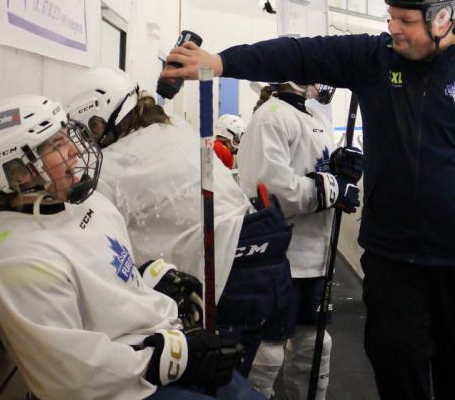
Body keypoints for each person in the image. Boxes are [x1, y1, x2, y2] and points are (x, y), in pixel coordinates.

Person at [159, 0, 455, 400]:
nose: (394, 29)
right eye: (390, 18)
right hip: (393, 258)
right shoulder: (374, 59)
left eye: (405, 20)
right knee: (396, 369)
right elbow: (299, 52)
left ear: (443, 18)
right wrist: (222, 62)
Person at [0, 95, 256, 400]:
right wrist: (169, 360)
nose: (74, 150)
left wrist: (151, 277)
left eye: (67, 137)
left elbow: (104, 275)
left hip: (146, 354)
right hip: (119, 387)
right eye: (57, 146)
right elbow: (70, 373)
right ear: (19, 172)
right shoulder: (20, 259)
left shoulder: (88, 203)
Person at [63, 68, 293, 375]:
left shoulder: (117, 165)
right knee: (241, 373)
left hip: (227, 273)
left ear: (100, 120)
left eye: (87, 129)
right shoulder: (175, 130)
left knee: (218, 376)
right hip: (261, 261)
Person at [236, 81, 360, 400]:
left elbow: (315, 171)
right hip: (282, 255)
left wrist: (341, 172)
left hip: (317, 253)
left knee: (316, 344)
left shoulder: (315, 118)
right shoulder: (271, 116)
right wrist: (329, 189)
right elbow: (268, 189)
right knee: (270, 348)